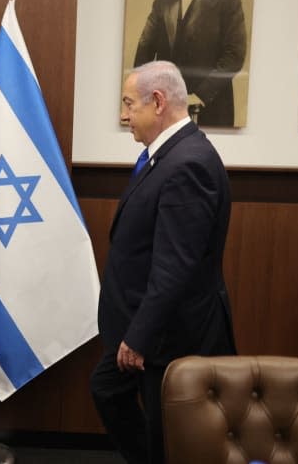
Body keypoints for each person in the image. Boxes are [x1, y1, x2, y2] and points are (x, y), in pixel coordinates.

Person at [90, 61, 236, 464]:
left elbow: (175, 266)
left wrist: (139, 336)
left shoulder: (188, 163)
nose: (123, 116)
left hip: (167, 336)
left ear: (157, 102)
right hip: (143, 327)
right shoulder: (167, 155)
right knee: (108, 391)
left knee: (167, 437)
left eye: (128, 104)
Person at [134, 0, 247, 127]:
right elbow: (145, 47)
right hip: (165, 113)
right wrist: (141, 96)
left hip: (211, 112)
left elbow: (234, 57)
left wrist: (199, 96)